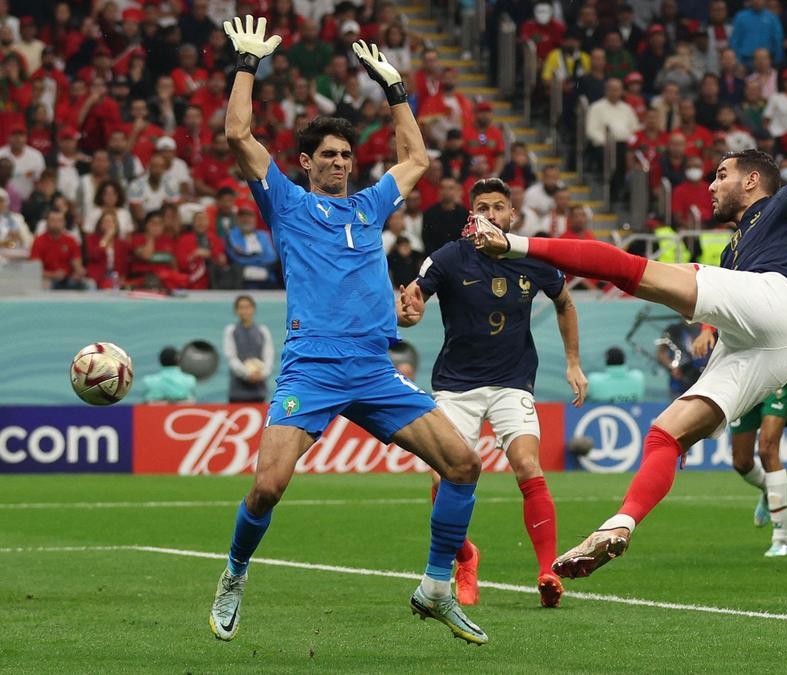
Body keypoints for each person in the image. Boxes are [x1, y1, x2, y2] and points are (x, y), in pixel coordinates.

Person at [471, 99, 787, 578]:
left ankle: (515, 244)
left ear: (751, 180)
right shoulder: (732, 251)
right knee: (666, 432)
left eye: (721, 174)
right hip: (774, 347)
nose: (711, 184)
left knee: (633, 269)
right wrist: (710, 329)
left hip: (779, 304)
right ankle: (619, 524)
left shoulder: (784, 202)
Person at [210, 19, 488, 645]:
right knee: (267, 487)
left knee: (463, 464)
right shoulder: (284, 200)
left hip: (373, 367)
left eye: (345, 155)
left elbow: (415, 157)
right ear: (306, 163)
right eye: (328, 155)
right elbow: (237, 133)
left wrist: (394, 89)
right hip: (311, 365)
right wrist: (247, 65)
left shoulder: (370, 204)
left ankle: (436, 588)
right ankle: (234, 571)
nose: (339, 162)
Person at [400, 177, 587, 610]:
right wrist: (407, 314)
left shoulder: (532, 255)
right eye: (482, 206)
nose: (491, 213)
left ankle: (547, 572)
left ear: (511, 214)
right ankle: (465, 557)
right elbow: (414, 305)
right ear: (472, 215)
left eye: (499, 206)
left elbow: (565, 302)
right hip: (455, 387)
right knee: (441, 477)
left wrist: (573, 362)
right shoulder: (448, 258)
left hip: (511, 382)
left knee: (527, 465)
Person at [693, 326, 787, 557]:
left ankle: (781, 539)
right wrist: (706, 329)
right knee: (741, 462)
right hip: (744, 377)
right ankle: (767, 489)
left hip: (779, 376)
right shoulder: (744, 288)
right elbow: (723, 301)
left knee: (767, 449)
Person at [224, 295, 274, 403]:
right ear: (236, 311)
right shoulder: (230, 331)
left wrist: (263, 373)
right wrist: (247, 374)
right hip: (237, 391)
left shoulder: (263, 331)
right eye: (241, 307)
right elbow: (231, 357)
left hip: (259, 390)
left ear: (253, 309)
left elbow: (269, 356)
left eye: (247, 307)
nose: (245, 311)